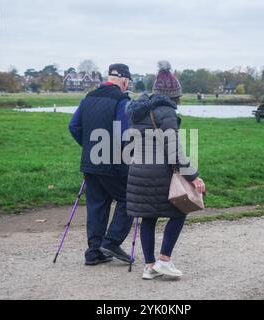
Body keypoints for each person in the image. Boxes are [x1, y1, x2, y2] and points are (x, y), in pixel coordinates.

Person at [126, 61, 206, 280]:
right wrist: (194, 176)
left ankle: (150, 266)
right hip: (159, 174)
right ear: (174, 95)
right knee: (180, 212)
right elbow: (175, 151)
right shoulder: (166, 112)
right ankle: (164, 260)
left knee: (148, 218)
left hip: (137, 173)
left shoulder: (137, 110)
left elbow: (128, 146)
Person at [69, 63, 134, 266]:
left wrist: (90, 146)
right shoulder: (122, 100)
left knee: (96, 205)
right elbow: (125, 134)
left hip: (90, 161)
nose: (127, 86)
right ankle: (111, 242)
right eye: (128, 82)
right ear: (123, 80)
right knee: (129, 199)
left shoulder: (88, 97)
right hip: (112, 162)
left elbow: (74, 126)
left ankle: (93, 252)